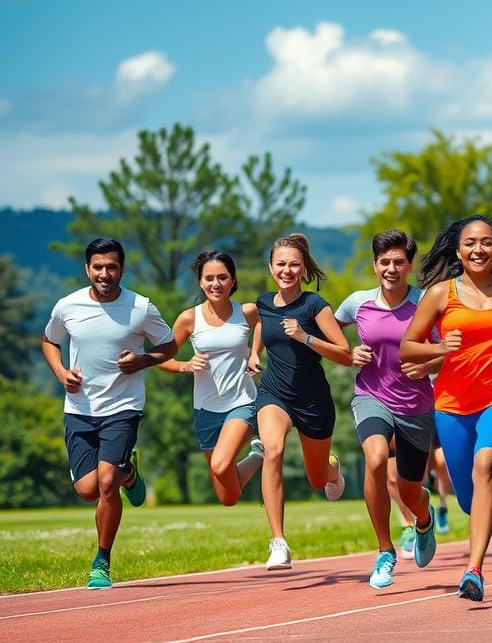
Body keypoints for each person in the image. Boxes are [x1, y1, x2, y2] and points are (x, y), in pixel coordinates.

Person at [400, 214, 492, 601]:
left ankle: (474, 571)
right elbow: (408, 347)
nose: (478, 249)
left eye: (486, 242)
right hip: (451, 405)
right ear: (458, 250)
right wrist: (440, 348)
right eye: (470, 243)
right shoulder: (439, 295)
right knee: (469, 501)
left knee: (487, 465)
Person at [41, 238, 177, 589]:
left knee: (104, 483)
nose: (105, 273)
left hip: (123, 408)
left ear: (122, 269)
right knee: (87, 489)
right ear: (88, 269)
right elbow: (49, 341)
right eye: (98, 267)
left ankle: (102, 560)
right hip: (80, 410)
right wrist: (60, 373)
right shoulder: (67, 306)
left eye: (112, 266)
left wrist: (143, 360)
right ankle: (129, 473)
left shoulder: (141, 307)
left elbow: (170, 345)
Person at [335, 229, 439, 589]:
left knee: (411, 491)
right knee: (376, 459)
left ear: (410, 266)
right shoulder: (357, 303)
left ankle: (422, 520)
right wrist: (349, 353)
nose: (391, 268)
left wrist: (427, 367)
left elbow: (449, 352)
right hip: (371, 396)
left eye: (398, 262)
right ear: (374, 265)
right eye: (384, 262)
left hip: (416, 405)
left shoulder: (427, 303)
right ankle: (384, 550)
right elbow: (330, 332)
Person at [250, 233, 353, 570]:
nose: (287, 270)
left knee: (316, 478)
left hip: (312, 400)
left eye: (294, 264)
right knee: (273, 450)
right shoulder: (264, 302)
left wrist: (305, 336)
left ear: (304, 268)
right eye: (281, 264)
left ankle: (332, 469)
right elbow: (262, 328)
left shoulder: (314, 306)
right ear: (271, 266)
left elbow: (345, 354)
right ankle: (278, 542)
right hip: (273, 393)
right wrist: (254, 354)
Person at [158, 250, 264, 506]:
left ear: (233, 280)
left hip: (242, 401)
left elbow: (260, 324)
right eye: (209, 278)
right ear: (200, 282)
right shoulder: (188, 318)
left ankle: (257, 448)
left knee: (220, 462)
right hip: (205, 409)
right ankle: (259, 455)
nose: (215, 284)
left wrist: (255, 354)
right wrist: (186, 365)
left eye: (222, 277)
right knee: (228, 497)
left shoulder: (247, 311)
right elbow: (161, 358)